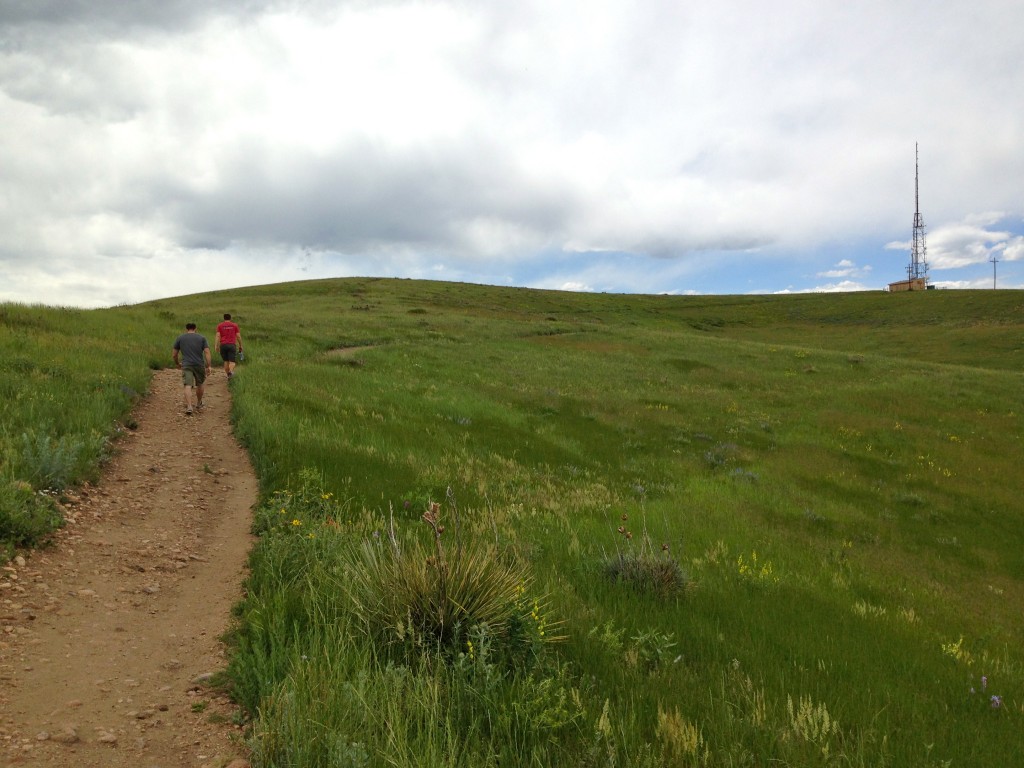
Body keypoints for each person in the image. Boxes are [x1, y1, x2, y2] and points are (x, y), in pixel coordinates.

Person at [172, 322, 212, 415]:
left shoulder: (180, 338)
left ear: (186, 329)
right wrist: (208, 365)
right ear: (195, 328)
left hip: (186, 365)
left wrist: (177, 363)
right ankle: (198, 403)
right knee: (200, 384)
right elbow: (207, 352)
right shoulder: (202, 338)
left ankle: (189, 406)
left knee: (187, 385)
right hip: (199, 364)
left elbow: (174, 354)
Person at [215, 313, 243, 378]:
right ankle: (230, 372)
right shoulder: (234, 325)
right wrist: (240, 345)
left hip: (223, 345)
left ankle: (228, 375)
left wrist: (216, 345)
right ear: (230, 318)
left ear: (224, 318)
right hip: (232, 345)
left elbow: (218, 335)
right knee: (232, 361)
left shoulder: (220, 325)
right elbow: (238, 336)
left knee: (226, 361)